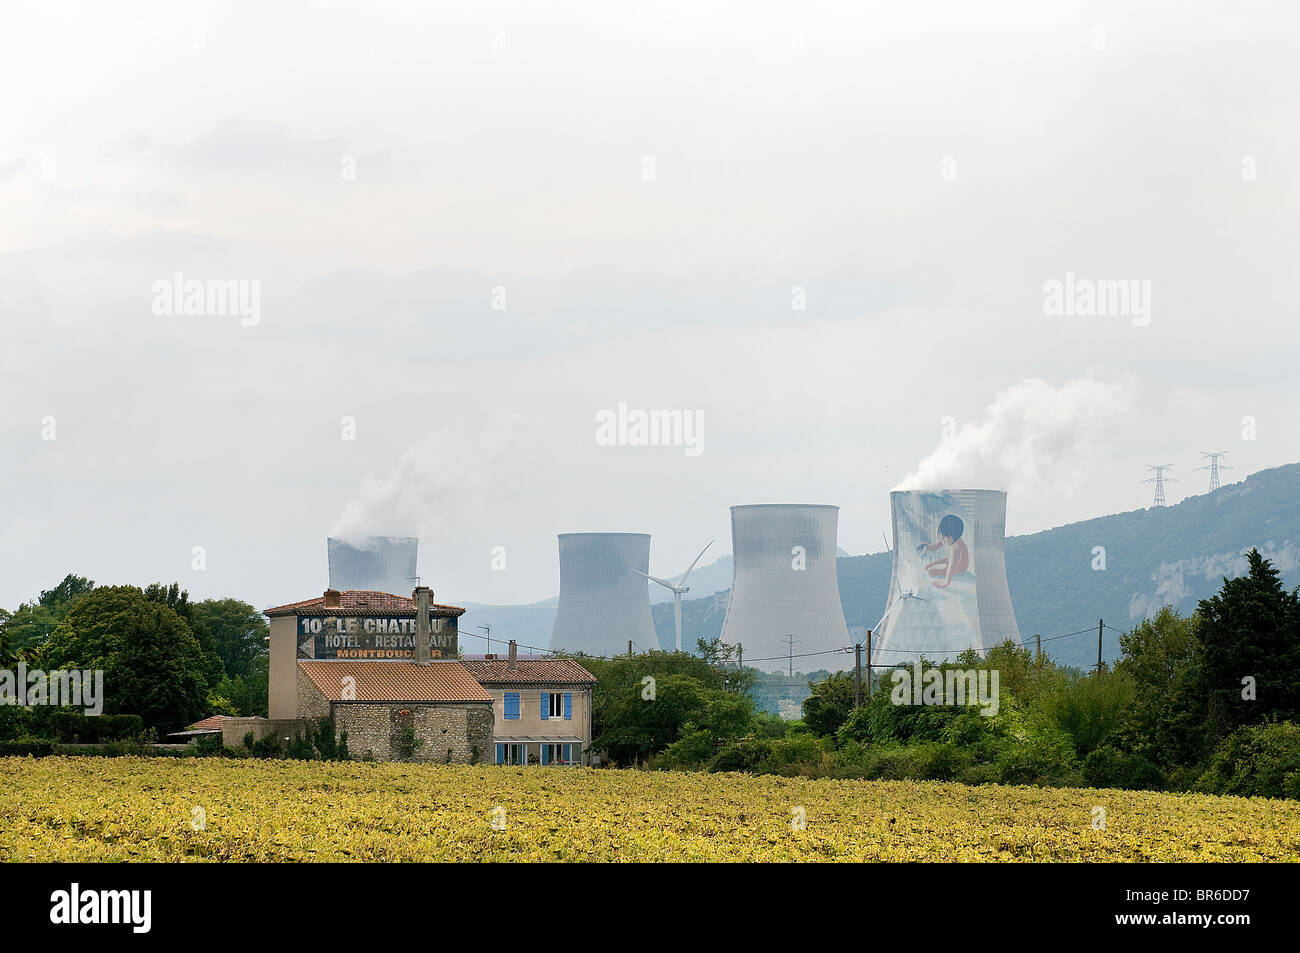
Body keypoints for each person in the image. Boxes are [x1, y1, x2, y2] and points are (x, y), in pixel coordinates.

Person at [920, 514, 970, 589]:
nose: (941, 538)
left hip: (959, 566)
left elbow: (951, 566)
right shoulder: (945, 538)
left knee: (931, 572)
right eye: (940, 534)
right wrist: (927, 547)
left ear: (952, 537)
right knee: (928, 566)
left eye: (945, 536)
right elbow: (936, 546)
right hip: (949, 560)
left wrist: (945, 582)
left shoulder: (956, 546)